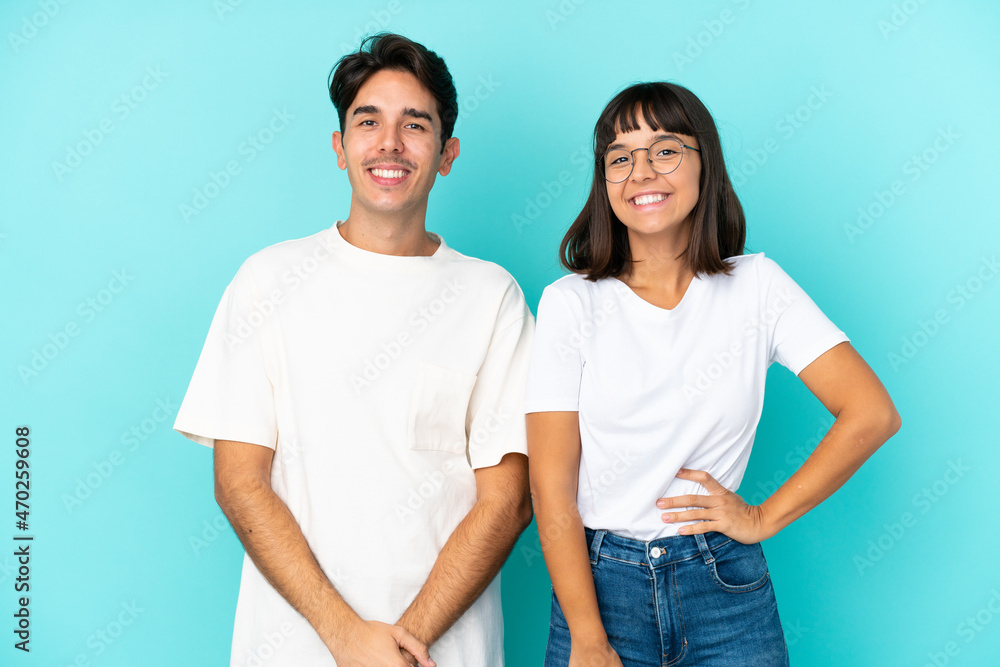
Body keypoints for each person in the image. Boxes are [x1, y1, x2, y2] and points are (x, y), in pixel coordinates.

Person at [173, 33, 534, 667]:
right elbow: (238, 482)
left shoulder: (492, 297)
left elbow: (508, 502)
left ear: (447, 153)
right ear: (340, 148)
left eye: (414, 125)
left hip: (444, 651)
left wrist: (404, 641)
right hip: (291, 649)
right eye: (369, 122)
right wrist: (345, 636)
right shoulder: (265, 281)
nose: (390, 143)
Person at [524, 82, 901, 666]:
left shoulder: (757, 286)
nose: (641, 171)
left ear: (707, 164)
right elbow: (552, 493)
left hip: (724, 587)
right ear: (604, 183)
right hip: (600, 590)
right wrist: (588, 636)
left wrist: (761, 517)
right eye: (620, 158)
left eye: (666, 150)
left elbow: (872, 413)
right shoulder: (569, 302)